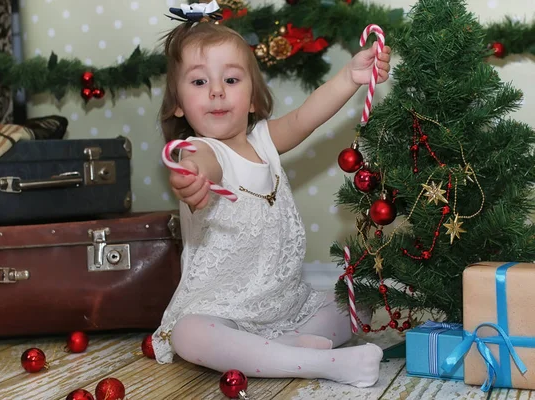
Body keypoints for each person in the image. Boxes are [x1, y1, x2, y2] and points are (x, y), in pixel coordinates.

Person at [152, 7, 391, 388]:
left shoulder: (263, 142)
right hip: (222, 309)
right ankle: (320, 362)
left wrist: (350, 77)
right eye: (199, 82)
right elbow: (202, 164)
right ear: (178, 104)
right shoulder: (198, 150)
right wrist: (193, 179)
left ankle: (281, 347)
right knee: (189, 335)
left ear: (252, 100)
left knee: (354, 300)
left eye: (230, 79)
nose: (216, 90)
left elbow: (306, 117)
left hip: (284, 302)